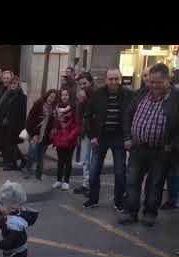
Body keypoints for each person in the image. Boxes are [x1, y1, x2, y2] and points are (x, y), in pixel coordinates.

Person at [119, 63, 179, 227]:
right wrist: (127, 137)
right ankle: (131, 212)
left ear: (168, 80)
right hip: (138, 147)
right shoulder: (142, 92)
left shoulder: (176, 98)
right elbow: (127, 114)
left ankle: (150, 213)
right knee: (132, 180)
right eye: (151, 82)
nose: (153, 86)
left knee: (155, 183)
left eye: (157, 82)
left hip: (161, 150)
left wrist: (172, 145)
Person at [83, 69, 134, 210]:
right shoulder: (97, 95)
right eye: (111, 79)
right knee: (93, 171)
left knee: (120, 172)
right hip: (101, 138)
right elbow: (87, 116)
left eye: (116, 79)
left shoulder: (129, 95)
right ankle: (93, 199)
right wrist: (92, 136)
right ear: (106, 80)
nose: (113, 82)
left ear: (120, 79)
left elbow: (133, 116)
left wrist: (129, 137)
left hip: (119, 138)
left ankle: (118, 201)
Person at [50, 89, 81, 190]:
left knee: (68, 161)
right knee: (60, 161)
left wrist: (70, 136)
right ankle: (58, 180)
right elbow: (55, 124)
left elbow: (77, 125)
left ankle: (66, 181)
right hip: (60, 138)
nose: (64, 97)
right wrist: (54, 135)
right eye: (62, 95)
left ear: (69, 96)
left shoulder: (74, 108)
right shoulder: (57, 108)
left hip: (70, 139)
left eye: (66, 95)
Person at [25, 89, 57, 180]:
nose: (51, 99)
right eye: (51, 97)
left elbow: (53, 124)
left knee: (40, 157)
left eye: (54, 98)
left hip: (45, 137)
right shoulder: (38, 104)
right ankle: (28, 171)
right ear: (47, 96)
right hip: (36, 134)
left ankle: (38, 175)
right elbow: (30, 119)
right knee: (31, 154)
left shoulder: (54, 109)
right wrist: (33, 133)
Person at [0, 76, 28, 171]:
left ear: (18, 85)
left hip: (16, 124)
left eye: (15, 83)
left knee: (12, 144)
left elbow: (22, 113)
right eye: (12, 83)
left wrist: (22, 126)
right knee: (11, 144)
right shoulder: (9, 94)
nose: (13, 85)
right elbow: (5, 108)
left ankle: (15, 163)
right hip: (7, 123)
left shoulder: (22, 96)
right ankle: (18, 161)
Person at [73, 72, 95, 195]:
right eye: (80, 84)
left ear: (90, 82)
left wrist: (85, 100)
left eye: (85, 83)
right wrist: (81, 102)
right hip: (85, 132)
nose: (83, 86)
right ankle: (86, 184)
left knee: (92, 160)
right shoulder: (82, 96)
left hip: (94, 133)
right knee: (85, 160)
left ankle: (92, 185)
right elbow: (80, 115)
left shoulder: (95, 95)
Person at [0, 71, 13, 156]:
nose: (5, 80)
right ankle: (4, 157)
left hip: (7, 120)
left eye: (7, 78)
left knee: (7, 141)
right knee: (1, 139)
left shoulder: (12, 90)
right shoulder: (1, 88)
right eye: (4, 78)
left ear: (11, 79)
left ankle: (10, 159)